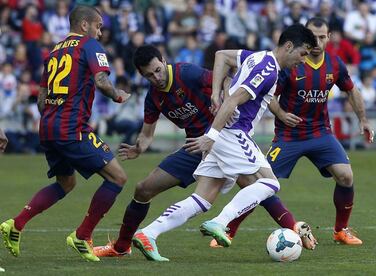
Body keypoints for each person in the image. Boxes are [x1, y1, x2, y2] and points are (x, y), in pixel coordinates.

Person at [92, 44, 316, 261]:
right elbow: (147, 133)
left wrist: (221, 100)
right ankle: (130, 242)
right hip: (197, 146)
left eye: (157, 70)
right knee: (144, 189)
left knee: (257, 185)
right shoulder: (154, 97)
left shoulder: (186, 73)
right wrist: (138, 147)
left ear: (163, 61)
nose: (156, 78)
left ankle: (292, 226)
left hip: (219, 135)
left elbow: (229, 80)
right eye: (149, 75)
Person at [219, 18, 375, 246]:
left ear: (329, 37)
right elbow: (268, 93)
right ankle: (229, 230)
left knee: (346, 176)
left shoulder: (335, 64)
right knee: (259, 183)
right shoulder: (292, 64)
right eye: (313, 37)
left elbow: (351, 90)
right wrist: (281, 114)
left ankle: (341, 231)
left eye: (322, 37)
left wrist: (363, 119)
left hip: (321, 133)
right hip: (288, 136)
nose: (317, 42)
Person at [0, 5, 130, 262]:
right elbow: (102, 81)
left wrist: (52, 117)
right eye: (99, 26)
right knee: (117, 178)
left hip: (48, 127)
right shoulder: (90, 46)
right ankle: (82, 236)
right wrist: (118, 95)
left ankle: (16, 225)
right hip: (72, 127)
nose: (101, 32)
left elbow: (41, 98)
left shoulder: (53, 52)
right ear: (85, 25)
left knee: (66, 183)